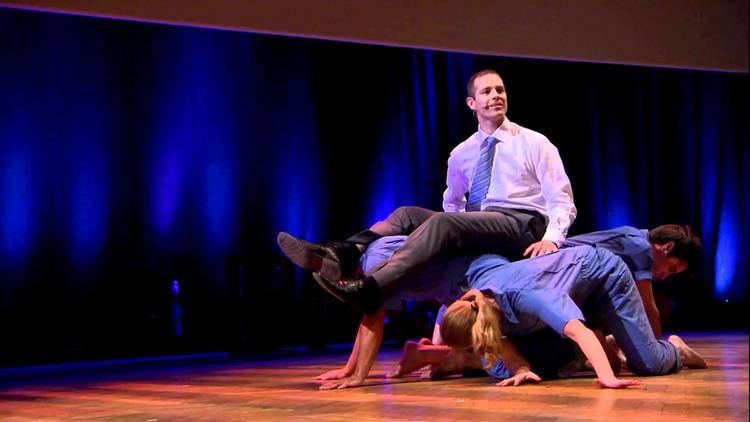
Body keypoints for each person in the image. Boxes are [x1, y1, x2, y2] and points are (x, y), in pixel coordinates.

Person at [278, 69, 576, 314]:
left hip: (523, 224)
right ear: (471, 103)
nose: (496, 96)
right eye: (486, 92)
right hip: (485, 223)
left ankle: (370, 288)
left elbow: (561, 198)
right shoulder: (463, 153)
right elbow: (452, 202)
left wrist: (552, 239)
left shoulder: (534, 142)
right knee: (407, 213)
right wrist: (463, 231)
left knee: (443, 223)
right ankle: (343, 252)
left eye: (500, 90)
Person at [439, 246, 706, 389]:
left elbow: (579, 331)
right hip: (572, 291)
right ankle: (611, 344)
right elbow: (503, 344)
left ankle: (675, 350)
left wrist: (606, 378)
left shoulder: (525, 296)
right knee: (500, 370)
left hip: (603, 278)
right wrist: (520, 369)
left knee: (648, 364)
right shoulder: (473, 301)